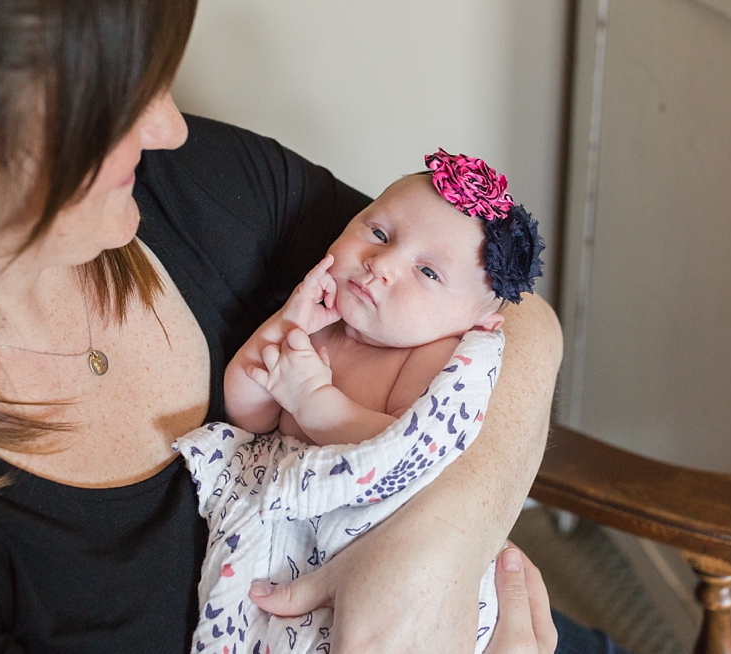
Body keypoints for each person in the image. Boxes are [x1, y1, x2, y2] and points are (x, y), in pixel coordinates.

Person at [0, 1, 576, 652]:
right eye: (120, 93)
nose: (169, 125)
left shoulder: (192, 185)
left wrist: (439, 549)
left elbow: (515, 314)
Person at [176, 154, 544, 652]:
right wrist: (286, 327)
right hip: (291, 536)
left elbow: (403, 456)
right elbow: (249, 412)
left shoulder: (433, 356)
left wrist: (314, 400)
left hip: (379, 554)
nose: (383, 265)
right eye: (379, 234)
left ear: (475, 324)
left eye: (429, 273)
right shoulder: (323, 321)